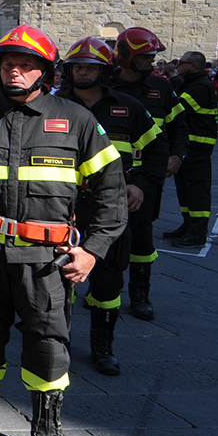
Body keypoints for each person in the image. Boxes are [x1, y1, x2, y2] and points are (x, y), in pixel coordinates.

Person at [0, 25, 126, 436]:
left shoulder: (77, 120)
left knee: (47, 346)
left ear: (45, 71)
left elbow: (112, 194)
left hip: (47, 260)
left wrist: (92, 251)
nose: (15, 72)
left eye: (25, 65)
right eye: (7, 64)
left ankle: (47, 434)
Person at [56, 37, 166, 376]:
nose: (83, 72)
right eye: (77, 66)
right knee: (59, 277)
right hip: (61, 204)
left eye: (90, 67)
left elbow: (157, 151)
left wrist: (141, 185)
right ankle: (58, 341)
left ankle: (103, 346)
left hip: (109, 204)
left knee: (107, 279)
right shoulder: (52, 105)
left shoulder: (130, 107)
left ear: (105, 71)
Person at [110, 27, 184, 320]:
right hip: (106, 175)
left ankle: (140, 294)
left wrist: (178, 155)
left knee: (141, 233)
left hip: (146, 176)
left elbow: (179, 126)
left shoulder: (162, 88)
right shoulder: (103, 86)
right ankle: (101, 291)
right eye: (147, 57)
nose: (153, 63)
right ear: (127, 57)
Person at [163, 51, 218, 247]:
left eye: (182, 63)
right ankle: (188, 225)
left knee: (197, 190)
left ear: (193, 66)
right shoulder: (191, 83)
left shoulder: (201, 86)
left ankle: (198, 233)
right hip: (188, 146)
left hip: (198, 146)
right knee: (185, 189)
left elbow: (177, 109)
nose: (178, 66)